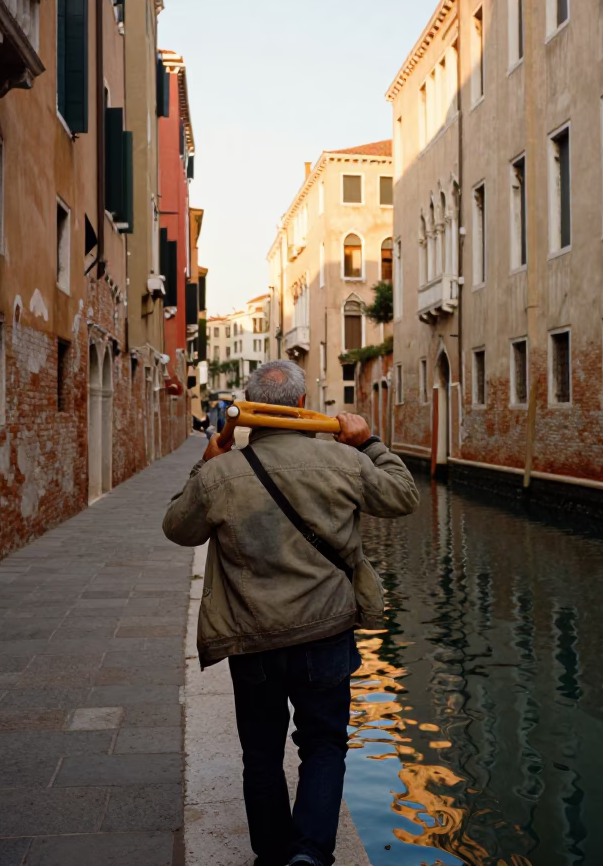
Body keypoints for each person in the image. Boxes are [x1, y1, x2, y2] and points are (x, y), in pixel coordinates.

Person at [162, 360, 419, 866]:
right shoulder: (343, 463)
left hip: (252, 640)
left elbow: (177, 527)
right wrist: (367, 441)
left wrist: (207, 461)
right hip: (324, 635)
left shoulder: (221, 474)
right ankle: (310, 855)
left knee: (260, 754)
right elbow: (402, 495)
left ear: (249, 408)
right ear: (302, 406)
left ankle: (273, 855)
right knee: (323, 746)